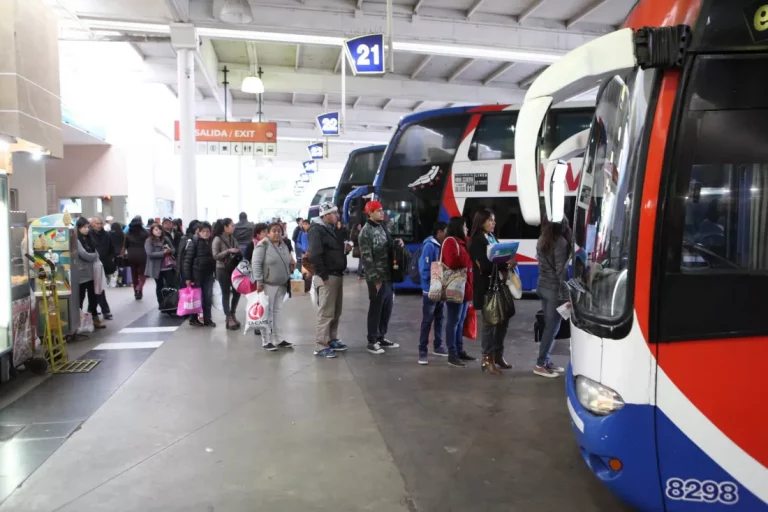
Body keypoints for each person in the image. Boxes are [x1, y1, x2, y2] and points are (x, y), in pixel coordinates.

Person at [469, 209, 516, 376]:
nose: (493, 223)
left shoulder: (492, 238)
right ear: (481, 221)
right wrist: (503, 262)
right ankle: (487, 359)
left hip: (499, 285)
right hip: (486, 289)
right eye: (490, 220)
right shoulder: (476, 241)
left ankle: (498, 354)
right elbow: (484, 267)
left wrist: (509, 261)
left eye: (494, 220)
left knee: (503, 320)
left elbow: (496, 261)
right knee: (490, 325)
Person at [359, 200, 402, 355]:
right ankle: (372, 340)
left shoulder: (382, 228)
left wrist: (398, 242)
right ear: (370, 213)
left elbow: (390, 245)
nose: (382, 213)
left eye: (382, 210)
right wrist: (375, 279)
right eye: (378, 211)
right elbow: (367, 258)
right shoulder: (366, 232)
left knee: (387, 308)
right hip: (377, 278)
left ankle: (381, 336)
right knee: (376, 309)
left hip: (388, 276)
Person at [308, 202, 350, 358]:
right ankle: (320, 345)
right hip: (327, 277)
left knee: (336, 311)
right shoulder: (316, 230)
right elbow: (315, 255)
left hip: (337, 275)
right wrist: (323, 275)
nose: (337, 216)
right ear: (325, 215)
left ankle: (331, 339)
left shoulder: (331, 229)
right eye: (333, 213)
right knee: (326, 312)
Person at [534, 218, 571, 378]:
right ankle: (541, 363)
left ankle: (546, 360)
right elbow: (561, 271)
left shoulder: (543, 238)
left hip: (542, 286)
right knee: (552, 326)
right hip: (554, 289)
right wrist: (567, 294)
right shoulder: (560, 242)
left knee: (550, 325)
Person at [439, 217, 475, 368]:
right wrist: (468, 256)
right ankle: (452, 354)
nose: (467, 229)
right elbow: (452, 262)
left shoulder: (463, 242)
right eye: (465, 226)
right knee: (453, 322)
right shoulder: (450, 242)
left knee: (460, 321)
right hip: (454, 287)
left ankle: (459, 350)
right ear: (459, 227)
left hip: (465, 287)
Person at [252, 222, 294, 351]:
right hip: (267, 285)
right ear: (268, 233)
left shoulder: (283, 245)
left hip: (281, 284)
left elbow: (287, 260)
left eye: (279, 231)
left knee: (277, 312)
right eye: (274, 231)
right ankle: (266, 341)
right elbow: (256, 264)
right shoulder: (263, 245)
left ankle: (278, 339)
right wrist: (259, 282)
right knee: (266, 313)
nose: (277, 233)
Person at [417, 221, 448, 365]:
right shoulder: (429, 246)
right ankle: (422, 351)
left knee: (439, 317)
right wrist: (432, 283)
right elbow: (424, 269)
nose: (447, 233)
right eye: (445, 231)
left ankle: (438, 345)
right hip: (431, 288)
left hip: (439, 286)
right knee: (427, 320)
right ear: (439, 232)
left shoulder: (441, 245)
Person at [183, 221, 216, 327]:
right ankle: (193, 319)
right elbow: (187, 261)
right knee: (196, 298)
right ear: (199, 232)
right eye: (203, 231)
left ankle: (207, 319)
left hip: (208, 274)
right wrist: (188, 277)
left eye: (207, 231)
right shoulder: (194, 242)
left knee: (208, 298)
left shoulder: (212, 242)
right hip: (196, 275)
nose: (206, 233)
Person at [74, 217, 105, 329]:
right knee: (80, 298)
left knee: (94, 297)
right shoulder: (76, 240)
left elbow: (95, 252)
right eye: (84, 227)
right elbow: (84, 254)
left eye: (88, 227)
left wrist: (94, 256)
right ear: (78, 228)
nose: (86, 229)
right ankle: (78, 321)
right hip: (81, 274)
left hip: (92, 273)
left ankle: (94, 317)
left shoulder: (89, 239)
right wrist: (94, 256)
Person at [212, 218, 242, 330]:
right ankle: (228, 317)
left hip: (234, 268)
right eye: (232, 225)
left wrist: (238, 251)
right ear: (225, 227)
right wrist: (228, 251)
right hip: (222, 269)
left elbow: (238, 249)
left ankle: (233, 313)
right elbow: (215, 255)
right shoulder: (217, 239)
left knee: (237, 292)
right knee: (225, 294)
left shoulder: (233, 238)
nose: (233, 227)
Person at [89, 216, 116, 320]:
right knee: (96, 288)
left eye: (101, 223)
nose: (99, 225)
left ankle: (95, 310)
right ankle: (100, 310)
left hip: (103, 264)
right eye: (97, 223)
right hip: (92, 264)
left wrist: (109, 260)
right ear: (92, 224)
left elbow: (111, 249)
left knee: (98, 288)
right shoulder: (89, 235)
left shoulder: (107, 235)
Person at [144, 223, 176, 310]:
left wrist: (170, 251)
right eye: (156, 230)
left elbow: (173, 249)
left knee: (171, 285)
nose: (159, 231)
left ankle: (172, 302)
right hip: (157, 268)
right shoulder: (149, 241)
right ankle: (161, 304)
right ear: (152, 231)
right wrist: (163, 253)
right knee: (159, 286)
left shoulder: (166, 239)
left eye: (159, 229)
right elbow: (150, 254)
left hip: (168, 266)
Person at [123, 216, 149, 300]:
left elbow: (125, 245)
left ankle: (136, 292)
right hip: (143, 255)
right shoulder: (145, 233)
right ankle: (139, 288)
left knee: (134, 276)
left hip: (132, 256)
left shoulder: (128, 233)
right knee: (142, 274)